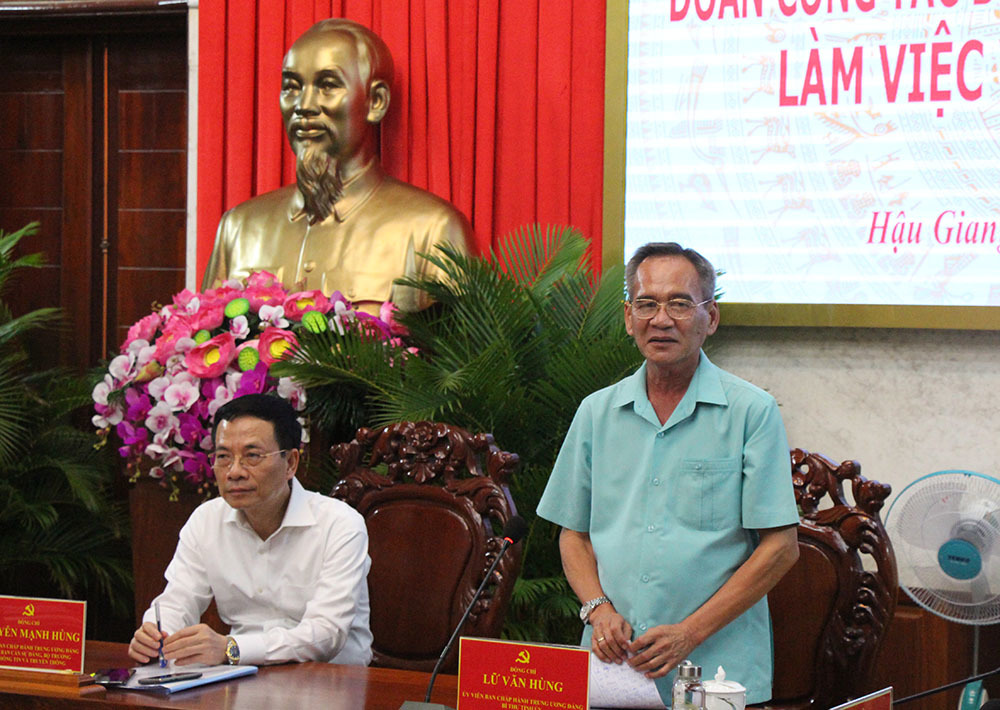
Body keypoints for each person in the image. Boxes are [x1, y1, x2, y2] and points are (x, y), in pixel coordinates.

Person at [536, 242, 800, 705]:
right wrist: (598, 611)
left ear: (710, 318)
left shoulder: (750, 412)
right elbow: (572, 535)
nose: (661, 319)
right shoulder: (596, 413)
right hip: (612, 670)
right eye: (647, 304)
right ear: (627, 317)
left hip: (718, 672)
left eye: (679, 303)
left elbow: (780, 549)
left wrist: (689, 633)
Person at [202, 18, 473, 314]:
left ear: (376, 102)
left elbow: (470, 357)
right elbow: (200, 343)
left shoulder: (432, 231)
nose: (303, 105)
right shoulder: (238, 228)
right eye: (291, 87)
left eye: (327, 85)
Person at [128, 394, 373, 667]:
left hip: (331, 684)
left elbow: (326, 635)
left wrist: (231, 648)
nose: (234, 472)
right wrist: (156, 634)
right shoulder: (206, 520)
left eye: (252, 456)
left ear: (290, 463)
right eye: (223, 457)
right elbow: (177, 601)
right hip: (240, 679)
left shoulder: (339, 524)